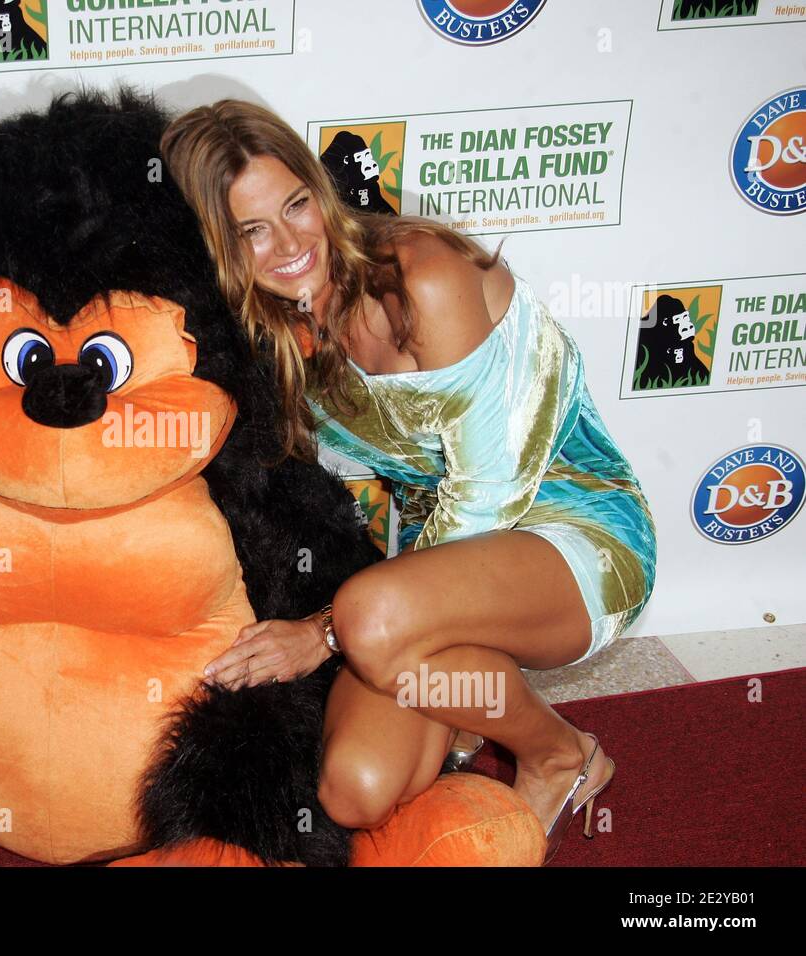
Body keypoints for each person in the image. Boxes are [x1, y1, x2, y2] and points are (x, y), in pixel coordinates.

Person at [159, 99, 657, 864]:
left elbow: (492, 492)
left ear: (321, 194)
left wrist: (326, 631)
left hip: (570, 529)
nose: (290, 244)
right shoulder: (277, 326)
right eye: (251, 231)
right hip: (428, 577)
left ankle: (558, 753)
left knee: (372, 620)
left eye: (296, 206)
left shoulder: (421, 275)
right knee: (354, 789)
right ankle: (469, 693)